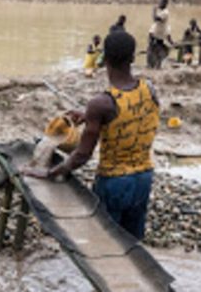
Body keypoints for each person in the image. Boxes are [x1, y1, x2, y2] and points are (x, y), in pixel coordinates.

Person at [24, 31, 160, 241]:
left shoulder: (101, 103)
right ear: (133, 58)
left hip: (114, 183)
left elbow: (82, 155)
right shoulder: (149, 88)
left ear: (104, 58)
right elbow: (132, 115)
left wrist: (52, 172)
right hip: (144, 178)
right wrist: (90, 117)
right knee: (132, 245)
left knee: (105, 244)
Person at [147, 0, 171, 69]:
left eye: (160, 3)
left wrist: (153, 11)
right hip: (156, 35)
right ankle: (153, 65)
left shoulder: (165, 13)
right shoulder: (162, 12)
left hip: (158, 36)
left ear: (165, 4)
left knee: (154, 51)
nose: (159, 4)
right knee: (152, 51)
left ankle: (154, 65)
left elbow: (155, 19)